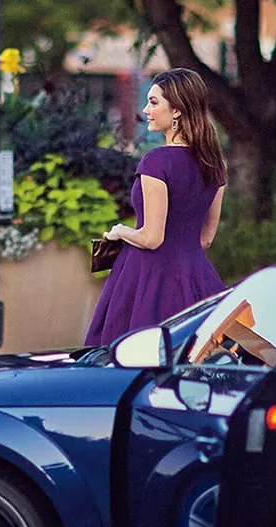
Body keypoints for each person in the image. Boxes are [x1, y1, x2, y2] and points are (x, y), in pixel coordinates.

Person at [85, 68, 226, 347]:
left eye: (153, 102)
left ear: (177, 111)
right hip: (197, 279)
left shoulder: (156, 162)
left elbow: (152, 238)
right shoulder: (214, 163)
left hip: (149, 280)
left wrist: (120, 231)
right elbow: (206, 239)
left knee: (133, 363)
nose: (146, 110)